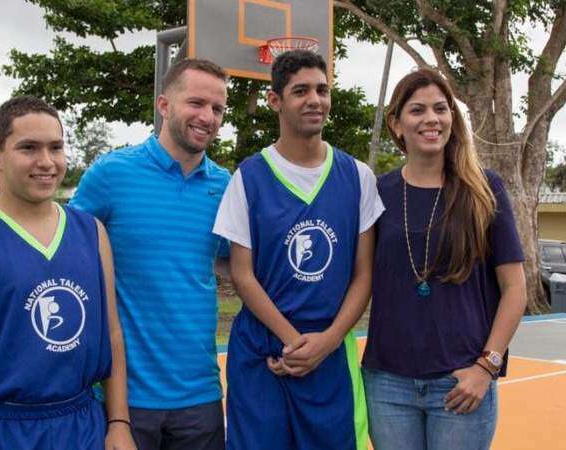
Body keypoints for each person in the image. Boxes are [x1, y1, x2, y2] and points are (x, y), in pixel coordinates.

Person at [0, 96, 135, 450]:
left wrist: (118, 422)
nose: (47, 162)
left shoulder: (91, 232)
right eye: (29, 148)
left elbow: (111, 334)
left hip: (82, 424)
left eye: (56, 147)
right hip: (0, 429)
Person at [213, 50, 384, 450]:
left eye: (322, 90)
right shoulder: (248, 177)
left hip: (330, 348)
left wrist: (325, 343)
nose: (315, 100)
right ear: (276, 101)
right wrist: (293, 341)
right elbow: (243, 274)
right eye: (301, 90)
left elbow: (364, 274)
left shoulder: (358, 176)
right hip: (264, 350)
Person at [362, 68, 527, 450]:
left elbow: (515, 288)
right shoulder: (376, 191)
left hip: (462, 380)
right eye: (417, 110)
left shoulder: (484, 189)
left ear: (453, 118)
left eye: (441, 108)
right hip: (387, 383)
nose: (431, 119)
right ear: (397, 124)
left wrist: (487, 367)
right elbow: (358, 279)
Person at [70, 59, 231, 450]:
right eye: (196, 103)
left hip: (201, 396)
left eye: (218, 109)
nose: (207, 117)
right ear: (163, 105)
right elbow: (65, 254)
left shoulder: (227, 186)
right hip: (125, 399)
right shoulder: (111, 174)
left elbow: (239, 268)